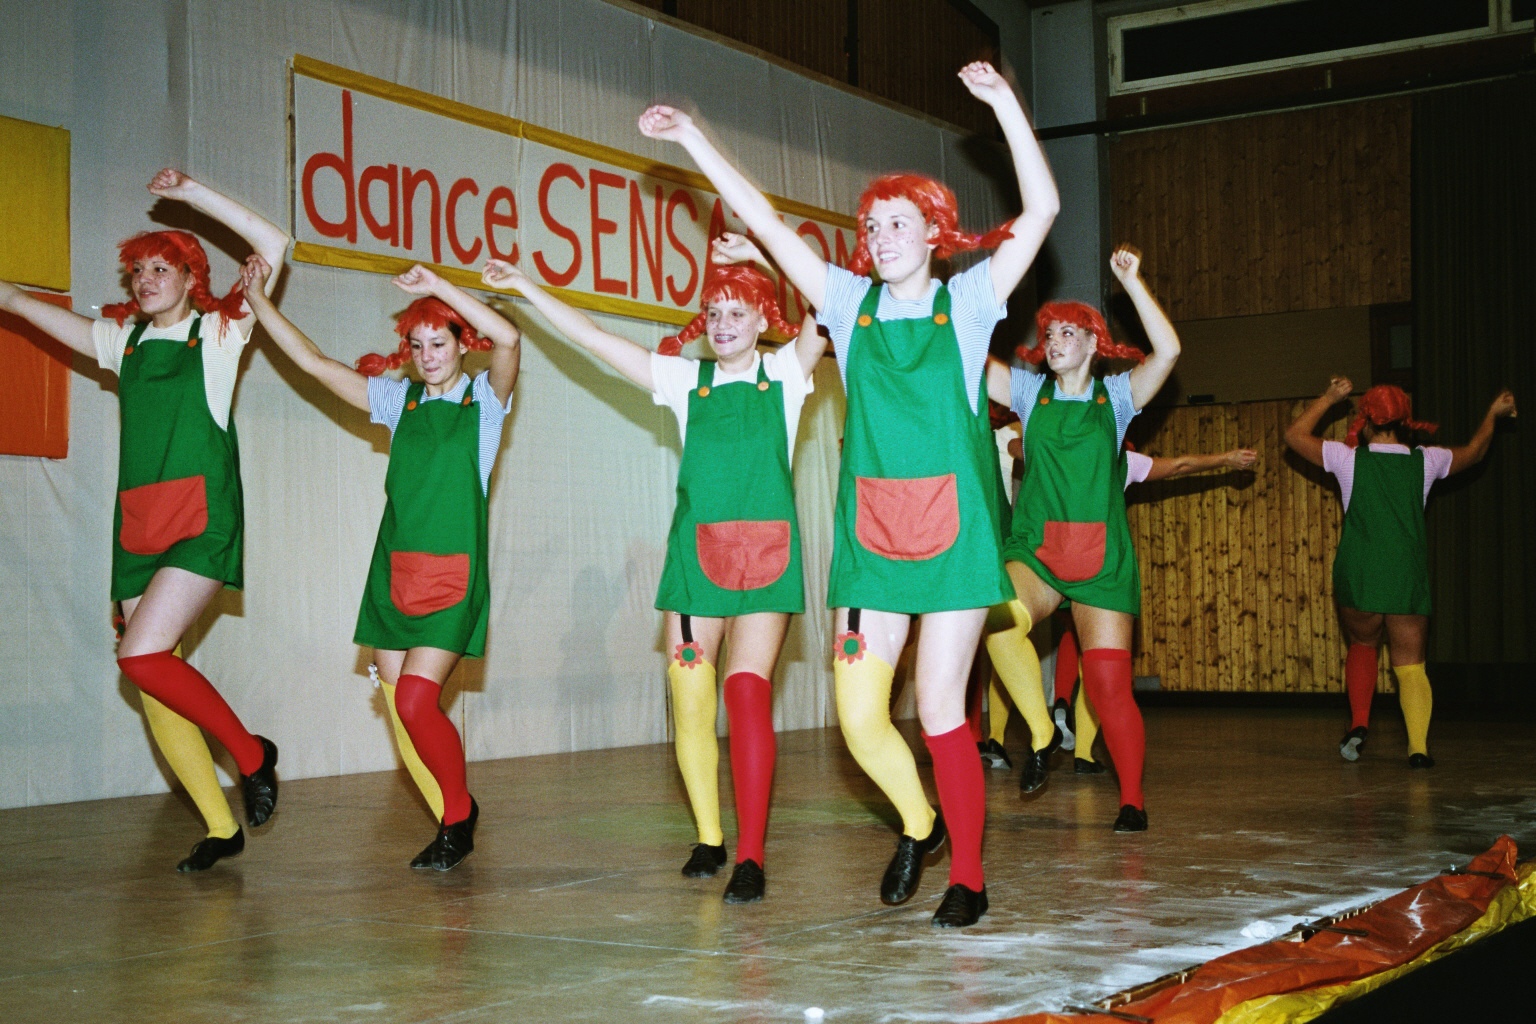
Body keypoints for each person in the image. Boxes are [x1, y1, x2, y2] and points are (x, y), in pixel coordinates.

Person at [641, 59, 1059, 927]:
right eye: (873, 223)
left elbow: (1044, 210)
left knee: (939, 708)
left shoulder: (968, 304)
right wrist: (694, 140)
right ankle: (920, 821)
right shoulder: (844, 302)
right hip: (872, 543)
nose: (884, 232)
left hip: (954, 541)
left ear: (934, 232)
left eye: (901, 220)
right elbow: (761, 216)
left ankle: (968, 876)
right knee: (860, 719)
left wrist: (1005, 106)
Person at [481, 236, 822, 904]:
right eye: (714, 312)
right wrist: (525, 287)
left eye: (738, 311)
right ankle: (709, 837)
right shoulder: (684, 380)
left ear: (763, 318)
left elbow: (824, 299)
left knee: (745, 693)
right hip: (696, 562)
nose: (723, 323)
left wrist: (760, 251)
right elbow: (593, 338)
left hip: (766, 560)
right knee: (689, 697)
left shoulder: (787, 372)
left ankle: (751, 855)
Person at [0, 169, 288, 871]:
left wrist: (192, 195)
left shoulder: (218, 335)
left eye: (163, 267)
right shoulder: (120, 343)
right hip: (138, 529)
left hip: (201, 520)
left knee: (140, 656)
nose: (147, 278)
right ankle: (220, 827)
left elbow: (275, 243)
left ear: (191, 278)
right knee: (155, 678)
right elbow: (17, 302)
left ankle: (252, 754)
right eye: (138, 271)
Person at [241, 257, 520, 868]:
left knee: (417, 701)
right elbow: (314, 363)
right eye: (416, 345)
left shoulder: (484, 402)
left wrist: (439, 286)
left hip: (454, 577)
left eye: (439, 342)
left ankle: (459, 815)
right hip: (395, 573)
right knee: (401, 708)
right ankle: (452, 814)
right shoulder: (399, 402)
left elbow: (509, 338)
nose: (427, 355)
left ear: (462, 344)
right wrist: (258, 299)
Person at [982, 246, 1181, 833]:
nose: (1055, 340)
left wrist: (1133, 283)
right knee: (996, 621)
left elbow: (1169, 351)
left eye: (1069, 331)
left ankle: (1132, 800)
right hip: (1038, 552)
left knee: (1109, 689)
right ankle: (1043, 732)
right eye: (1049, 333)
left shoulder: (1116, 399)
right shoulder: (1027, 393)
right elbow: (963, 354)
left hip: (1101, 561)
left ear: (1094, 344)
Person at [983, 446, 1257, 776]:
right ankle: (1077, 750)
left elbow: (1015, 447)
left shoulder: (1067, 450)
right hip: (1078, 565)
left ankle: (1028, 733)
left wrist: (1042, 441)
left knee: (1018, 637)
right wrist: (1224, 459)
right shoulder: (1116, 458)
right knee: (1072, 650)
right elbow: (1179, 464)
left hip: (1056, 562)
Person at [1284, 378, 1515, 767]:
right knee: (1410, 665)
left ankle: (1359, 724)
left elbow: (1293, 436)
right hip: (1404, 575)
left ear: (1366, 421)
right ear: (1406, 422)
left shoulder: (1346, 458)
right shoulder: (1427, 460)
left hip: (1359, 573)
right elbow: (1476, 453)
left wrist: (1329, 397)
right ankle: (1419, 749)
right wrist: (1493, 413)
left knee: (1363, 644)